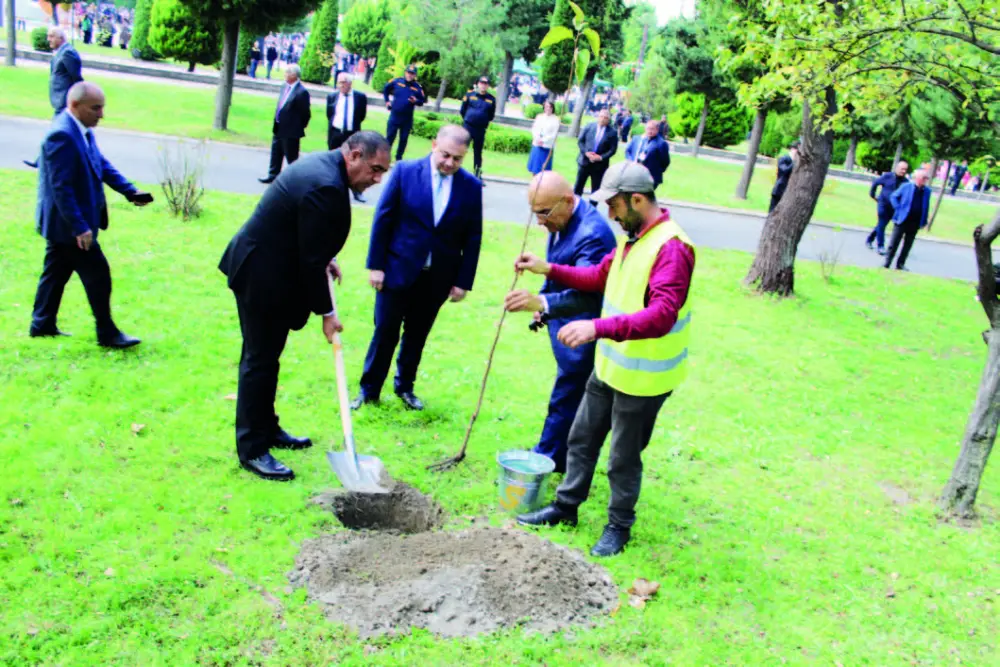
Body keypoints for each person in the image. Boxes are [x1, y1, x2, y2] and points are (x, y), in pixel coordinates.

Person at [512, 161, 695, 557]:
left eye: (614, 206)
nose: (609, 215)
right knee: (580, 439)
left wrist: (597, 328)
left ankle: (618, 527)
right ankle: (566, 507)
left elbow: (663, 314)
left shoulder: (672, 248)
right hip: (611, 366)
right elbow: (598, 277)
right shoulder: (633, 238)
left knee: (622, 459)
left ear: (638, 200)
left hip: (643, 379)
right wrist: (547, 268)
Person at [220, 132, 391, 482]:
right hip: (260, 275)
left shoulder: (326, 166)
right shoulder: (326, 184)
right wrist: (327, 314)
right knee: (259, 361)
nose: (377, 179)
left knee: (267, 358)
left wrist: (325, 255)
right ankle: (252, 449)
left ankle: (267, 428)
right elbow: (309, 261)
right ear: (354, 155)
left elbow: (305, 234)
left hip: (272, 268)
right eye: (374, 169)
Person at [353, 126, 483, 412]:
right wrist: (376, 266)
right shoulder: (405, 172)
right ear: (434, 144)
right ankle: (369, 389)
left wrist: (463, 281)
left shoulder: (471, 187)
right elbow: (383, 219)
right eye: (445, 155)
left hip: (437, 277)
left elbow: (473, 237)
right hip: (397, 269)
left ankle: (405, 387)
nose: (450, 163)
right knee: (385, 331)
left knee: (417, 335)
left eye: (457, 159)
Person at [504, 172, 617, 473]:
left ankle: (548, 458)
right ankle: (559, 456)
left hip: (581, 331)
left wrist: (542, 302)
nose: (540, 221)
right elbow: (558, 267)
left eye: (543, 213)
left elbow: (590, 295)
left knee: (567, 397)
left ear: (567, 201)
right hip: (563, 325)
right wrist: (545, 301)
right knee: (570, 395)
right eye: (534, 212)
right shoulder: (561, 216)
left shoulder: (593, 234)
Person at [31, 82, 153, 348]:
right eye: (95, 108)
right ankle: (107, 333)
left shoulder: (81, 130)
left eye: (102, 107)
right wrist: (79, 227)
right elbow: (60, 188)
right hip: (69, 225)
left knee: (55, 272)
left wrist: (130, 191)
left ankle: (41, 324)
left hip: (68, 224)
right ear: (75, 106)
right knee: (98, 273)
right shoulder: (61, 136)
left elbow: (100, 164)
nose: (101, 114)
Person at [259, 65, 311, 184]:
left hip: (291, 131)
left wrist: (297, 127)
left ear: (294, 75)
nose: (285, 74)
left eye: (287, 72)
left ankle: (295, 180)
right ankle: (273, 175)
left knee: (291, 157)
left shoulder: (302, 92)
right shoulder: (284, 87)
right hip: (279, 127)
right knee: (276, 153)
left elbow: (305, 114)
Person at [326, 73, 369, 201]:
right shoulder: (332, 96)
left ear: (350, 83)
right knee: (334, 162)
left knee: (354, 163)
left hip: (352, 135)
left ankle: (356, 191)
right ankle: (331, 189)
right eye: (339, 82)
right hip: (335, 133)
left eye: (343, 82)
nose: (341, 85)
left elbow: (361, 116)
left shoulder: (360, 97)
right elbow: (330, 114)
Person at [883, 168, 931, 271]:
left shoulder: (927, 191)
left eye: (926, 178)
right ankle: (887, 262)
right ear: (917, 178)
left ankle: (900, 264)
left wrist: (924, 220)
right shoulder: (906, 187)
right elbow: (894, 196)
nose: (925, 180)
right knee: (894, 242)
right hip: (903, 219)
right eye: (923, 178)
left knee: (908, 244)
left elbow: (926, 206)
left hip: (915, 222)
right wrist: (898, 208)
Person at [383, 65, 426, 162]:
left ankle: (398, 159)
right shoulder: (397, 81)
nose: (410, 75)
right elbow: (385, 89)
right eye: (408, 73)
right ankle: (385, 158)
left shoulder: (417, 87)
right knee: (389, 138)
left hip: (407, 119)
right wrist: (387, 101)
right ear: (405, 72)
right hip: (395, 116)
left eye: (412, 74)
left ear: (415, 75)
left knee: (403, 139)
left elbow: (422, 101)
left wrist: (416, 101)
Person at [865, 160, 908, 254]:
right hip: (883, 204)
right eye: (902, 169)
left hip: (893, 208)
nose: (903, 171)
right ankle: (880, 246)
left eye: (905, 169)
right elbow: (875, 183)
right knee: (882, 224)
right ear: (897, 168)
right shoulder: (887, 176)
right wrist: (873, 195)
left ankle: (869, 239)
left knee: (881, 225)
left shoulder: (906, 182)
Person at [574, 109, 618, 199]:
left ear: (608, 119)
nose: (602, 119)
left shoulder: (612, 132)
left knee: (596, 190)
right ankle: (576, 206)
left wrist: (601, 157)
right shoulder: (589, 126)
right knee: (578, 187)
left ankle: (592, 209)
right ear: (598, 117)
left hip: (599, 166)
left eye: (605, 118)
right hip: (584, 162)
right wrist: (586, 153)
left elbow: (612, 150)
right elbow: (580, 142)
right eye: (601, 117)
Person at [459, 76, 497, 181]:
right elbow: (463, 110)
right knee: (461, 149)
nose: (483, 85)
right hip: (468, 127)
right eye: (482, 83)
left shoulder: (491, 99)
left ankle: (477, 175)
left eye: (486, 83)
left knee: (478, 152)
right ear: (478, 84)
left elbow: (491, 116)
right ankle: (456, 171)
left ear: (488, 85)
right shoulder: (470, 95)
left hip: (480, 129)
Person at [624, 120, 671, 189]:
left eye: (652, 129)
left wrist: (656, 170)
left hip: (650, 176)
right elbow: (628, 151)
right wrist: (631, 161)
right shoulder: (638, 139)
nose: (649, 131)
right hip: (635, 172)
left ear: (657, 130)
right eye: (648, 128)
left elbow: (665, 161)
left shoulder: (661, 143)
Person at [527, 101, 560, 175]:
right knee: (535, 167)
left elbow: (554, 134)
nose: (547, 109)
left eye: (549, 107)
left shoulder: (555, 119)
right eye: (546, 107)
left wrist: (544, 140)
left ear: (552, 108)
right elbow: (534, 128)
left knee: (543, 169)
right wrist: (537, 138)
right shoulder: (540, 117)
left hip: (547, 146)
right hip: (537, 144)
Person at [769, 141, 799, 212]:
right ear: (793, 149)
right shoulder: (784, 158)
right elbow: (784, 170)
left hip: (789, 192)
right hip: (780, 190)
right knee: (773, 211)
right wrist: (794, 163)